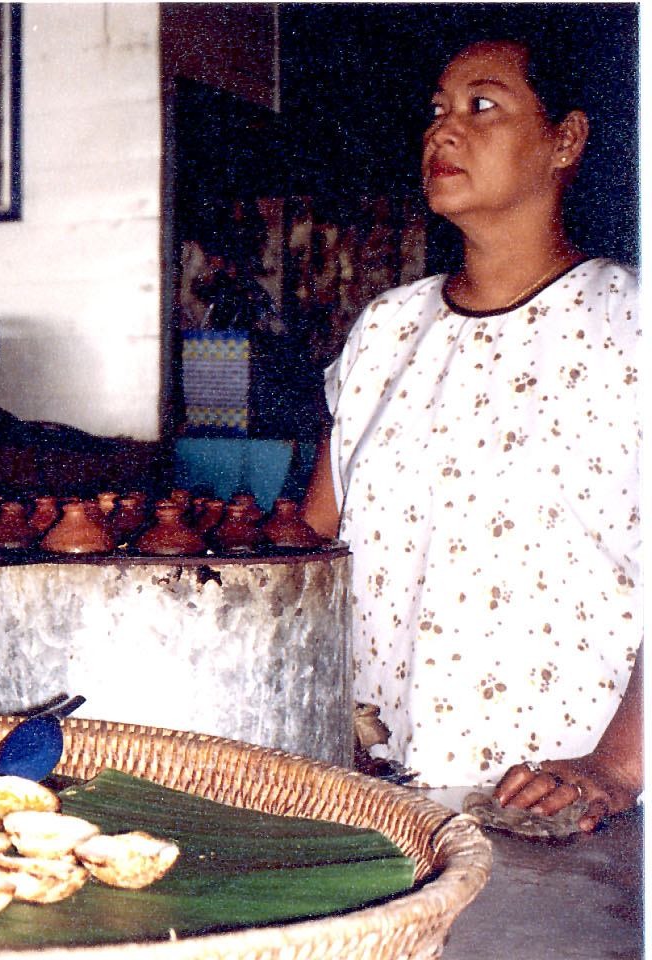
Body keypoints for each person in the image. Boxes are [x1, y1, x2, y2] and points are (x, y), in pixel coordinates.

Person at [303, 30, 641, 832]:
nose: (443, 131)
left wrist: (616, 769)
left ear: (565, 140)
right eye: (437, 111)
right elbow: (314, 539)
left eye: (482, 106)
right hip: (377, 786)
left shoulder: (629, 324)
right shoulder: (387, 328)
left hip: (559, 799)